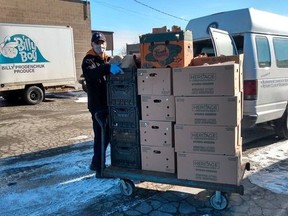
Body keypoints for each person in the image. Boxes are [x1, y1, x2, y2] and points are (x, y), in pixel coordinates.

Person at [81, 32, 122, 177]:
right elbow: (91, 74)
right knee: (101, 136)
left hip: (108, 104)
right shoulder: (88, 60)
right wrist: (107, 68)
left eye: (102, 43)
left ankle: (95, 162)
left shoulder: (106, 60)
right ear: (92, 45)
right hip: (97, 106)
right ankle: (99, 170)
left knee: (107, 136)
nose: (100, 46)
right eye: (97, 43)